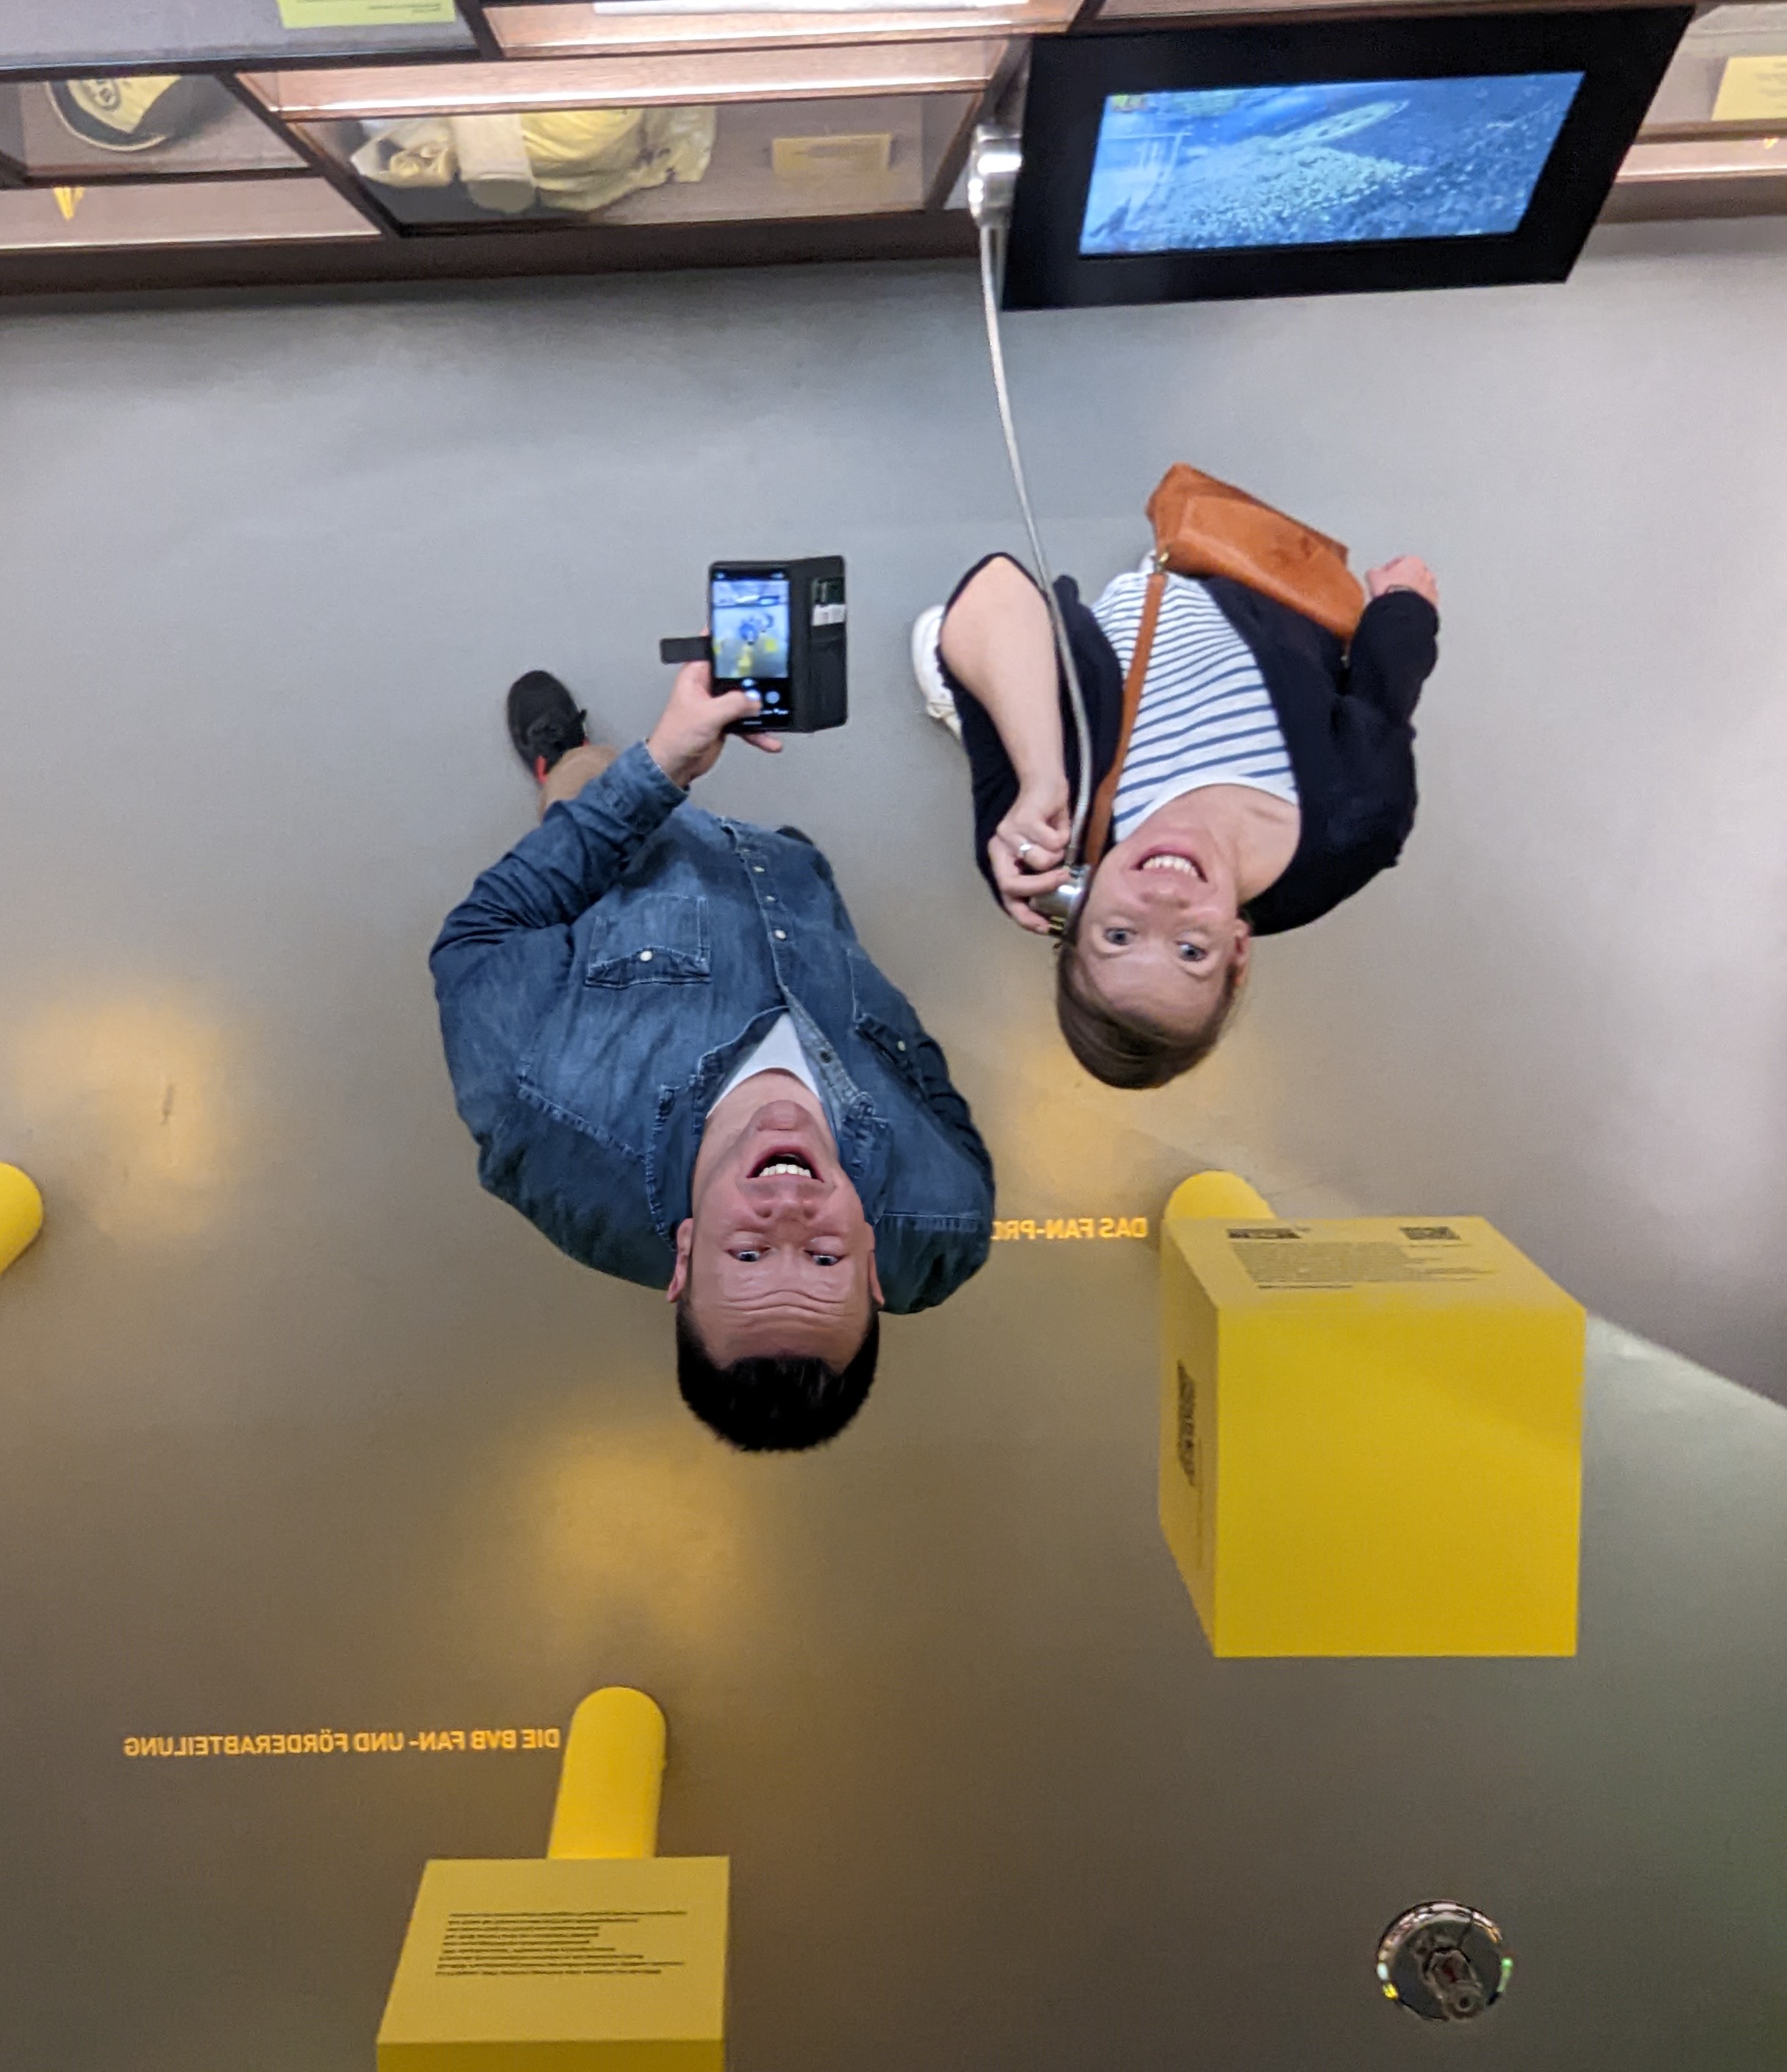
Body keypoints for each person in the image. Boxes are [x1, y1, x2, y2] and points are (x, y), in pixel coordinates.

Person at [432, 663, 994, 1448]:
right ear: (874, 1270)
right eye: (824, 1259)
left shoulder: (538, 1107)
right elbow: (929, 1085)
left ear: (685, 1258)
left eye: (751, 1251)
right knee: (794, 858)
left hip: (640, 865)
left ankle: (564, 755)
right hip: (798, 891)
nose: (789, 1210)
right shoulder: (948, 1219)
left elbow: (489, 931)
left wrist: (658, 769)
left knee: (585, 784)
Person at [913, 539, 1439, 1087]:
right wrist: (1405, 607)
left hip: (1107, 638)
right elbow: (1381, 701)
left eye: (1118, 936)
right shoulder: (1356, 827)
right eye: (1191, 950)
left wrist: (1040, 774)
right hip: (1237, 602)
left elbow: (995, 587)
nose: (1165, 898)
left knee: (974, 660)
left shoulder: (1048, 848)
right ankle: (1167, 589)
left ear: (1075, 913)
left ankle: (982, 702)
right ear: (1237, 947)